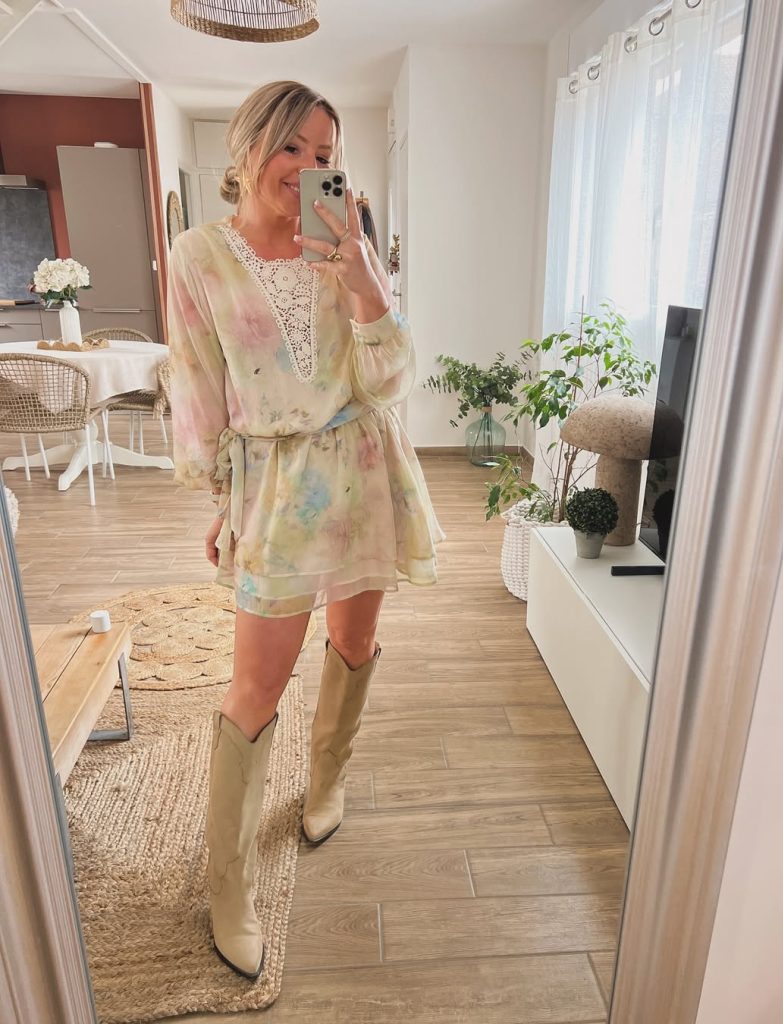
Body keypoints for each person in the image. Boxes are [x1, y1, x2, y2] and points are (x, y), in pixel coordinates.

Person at [167, 80, 443, 981]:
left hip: (362, 469)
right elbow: (197, 387)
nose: (307, 166)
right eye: (292, 146)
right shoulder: (197, 256)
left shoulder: (345, 236)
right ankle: (229, 887)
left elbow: (391, 379)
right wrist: (223, 499)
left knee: (354, 641)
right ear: (248, 146)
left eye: (324, 154)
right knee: (255, 683)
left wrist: (363, 282)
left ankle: (325, 783)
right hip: (276, 490)